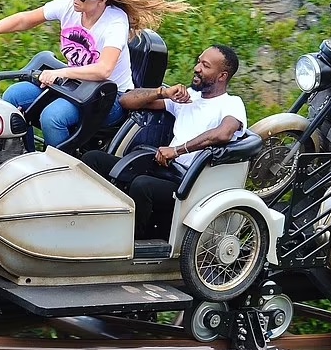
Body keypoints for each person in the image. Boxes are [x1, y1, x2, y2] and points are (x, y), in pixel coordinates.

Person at [0, 0, 189, 149]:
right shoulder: (71, 6)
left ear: (102, 0)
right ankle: (22, 159)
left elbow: (104, 70)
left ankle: (59, 178)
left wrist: (61, 73)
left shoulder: (115, 22)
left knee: (53, 117)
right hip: (73, 86)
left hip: (109, 97)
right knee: (13, 96)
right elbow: (25, 19)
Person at [82, 44, 247, 240]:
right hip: (165, 167)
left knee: (142, 186)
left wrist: (177, 150)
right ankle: (86, 221)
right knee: (92, 160)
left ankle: (131, 244)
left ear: (222, 76)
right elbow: (126, 101)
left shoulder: (231, 103)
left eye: (205, 65)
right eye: (198, 61)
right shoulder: (188, 98)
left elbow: (223, 134)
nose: (197, 68)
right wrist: (162, 93)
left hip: (191, 182)